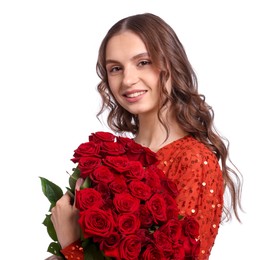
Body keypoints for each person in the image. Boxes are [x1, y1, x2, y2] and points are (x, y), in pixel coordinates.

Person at [50, 13, 243, 260]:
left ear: (171, 64)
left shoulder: (195, 161)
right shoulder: (111, 159)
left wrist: (72, 247)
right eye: (116, 68)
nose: (128, 80)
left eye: (143, 62)